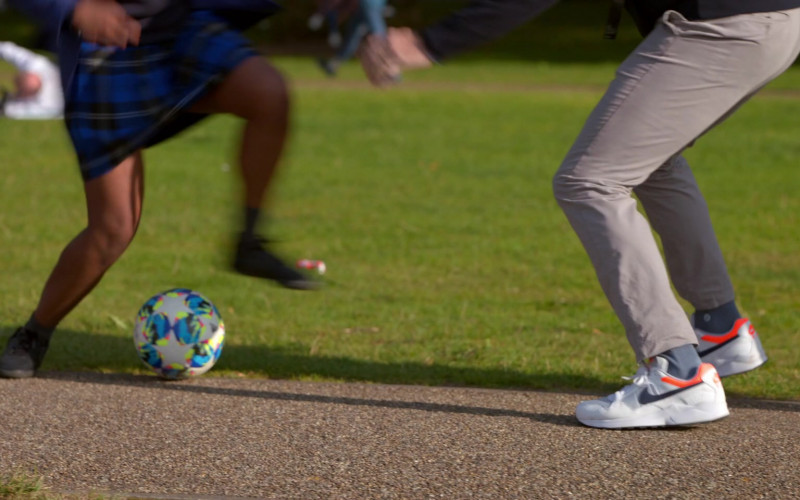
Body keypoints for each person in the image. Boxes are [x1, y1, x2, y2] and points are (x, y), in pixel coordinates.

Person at [360, 0, 800, 428]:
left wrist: (432, 42)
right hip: (773, 20)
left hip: (722, 26)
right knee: (650, 163)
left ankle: (676, 374)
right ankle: (720, 327)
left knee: (590, 181)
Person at [0, 0, 319, 380]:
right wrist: (72, 9)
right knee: (113, 229)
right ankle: (34, 334)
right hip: (106, 55)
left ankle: (249, 242)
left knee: (268, 91)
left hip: (184, 28)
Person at [317, 0, 388, 78]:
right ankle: (389, 70)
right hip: (369, 5)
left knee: (355, 37)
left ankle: (333, 64)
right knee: (378, 36)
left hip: (367, 6)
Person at [0, 41, 63, 119]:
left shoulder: (48, 103)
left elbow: (15, 111)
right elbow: (8, 50)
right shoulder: (36, 65)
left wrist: (7, 105)